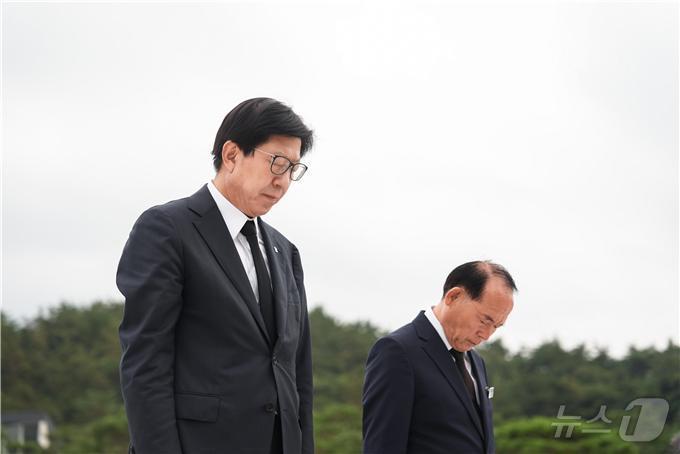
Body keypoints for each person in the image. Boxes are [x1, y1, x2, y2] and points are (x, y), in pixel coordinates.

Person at [117, 98, 315, 454]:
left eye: (294, 169)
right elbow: (145, 363)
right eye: (277, 163)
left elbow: (298, 375)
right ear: (232, 154)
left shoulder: (285, 252)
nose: (283, 181)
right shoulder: (167, 229)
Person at [362, 261, 516, 454]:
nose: (486, 335)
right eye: (484, 320)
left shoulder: (476, 362)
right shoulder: (397, 351)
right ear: (454, 296)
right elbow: (382, 446)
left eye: (496, 326)